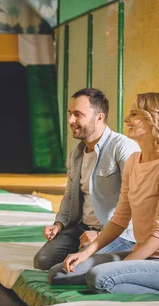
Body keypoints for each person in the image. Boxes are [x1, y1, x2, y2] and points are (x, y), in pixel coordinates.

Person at [51, 93, 159, 294]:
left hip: (154, 256)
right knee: (59, 274)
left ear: (154, 119)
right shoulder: (134, 161)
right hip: (142, 254)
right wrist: (85, 254)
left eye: (134, 114)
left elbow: (157, 236)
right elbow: (120, 219)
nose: (126, 119)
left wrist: (124, 266)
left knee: (100, 278)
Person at [34, 88, 139, 271]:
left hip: (117, 233)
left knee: (62, 272)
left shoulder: (123, 147)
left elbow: (136, 201)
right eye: (70, 114)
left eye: (77, 114)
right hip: (81, 228)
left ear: (99, 117)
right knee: (43, 260)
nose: (70, 120)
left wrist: (99, 234)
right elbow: (69, 194)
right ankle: (88, 253)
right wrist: (58, 224)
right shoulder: (76, 152)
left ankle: (118, 255)